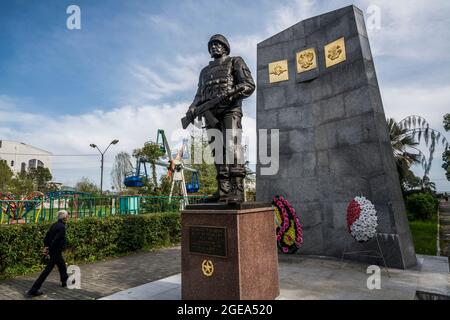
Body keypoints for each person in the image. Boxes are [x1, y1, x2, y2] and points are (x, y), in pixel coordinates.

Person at [185, 34, 255, 203]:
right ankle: (223, 190)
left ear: (225, 47)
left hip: (230, 109)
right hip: (210, 113)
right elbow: (199, 95)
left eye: (218, 44)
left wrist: (231, 95)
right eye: (211, 45)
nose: (214, 47)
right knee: (217, 149)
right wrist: (192, 107)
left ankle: (236, 189)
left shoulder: (235, 62)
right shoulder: (204, 72)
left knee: (232, 144)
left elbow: (249, 85)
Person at [27, 210, 69, 297]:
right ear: (64, 217)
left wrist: (46, 246)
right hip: (55, 251)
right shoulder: (62, 227)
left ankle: (64, 281)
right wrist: (50, 249)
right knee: (47, 270)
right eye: (67, 215)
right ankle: (33, 290)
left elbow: (47, 236)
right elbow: (56, 240)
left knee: (62, 265)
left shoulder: (54, 225)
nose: (68, 217)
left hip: (54, 251)